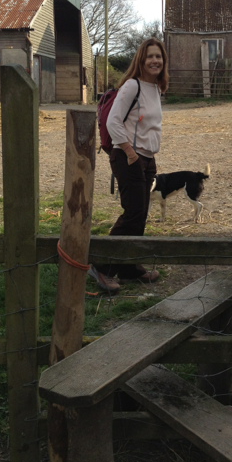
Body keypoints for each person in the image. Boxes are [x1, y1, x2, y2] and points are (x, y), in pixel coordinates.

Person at [90, 38, 169, 292]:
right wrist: (130, 152)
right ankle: (101, 267)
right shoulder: (132, 86)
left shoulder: (156, 88)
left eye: (159, 56)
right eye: (150, 56)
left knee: (141, 213)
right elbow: (113, 121)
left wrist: (146, 156)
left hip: (146, 158)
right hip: (128, 157)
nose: (155, 61)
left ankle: (128, 267)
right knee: (133, 213)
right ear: (141, 60)